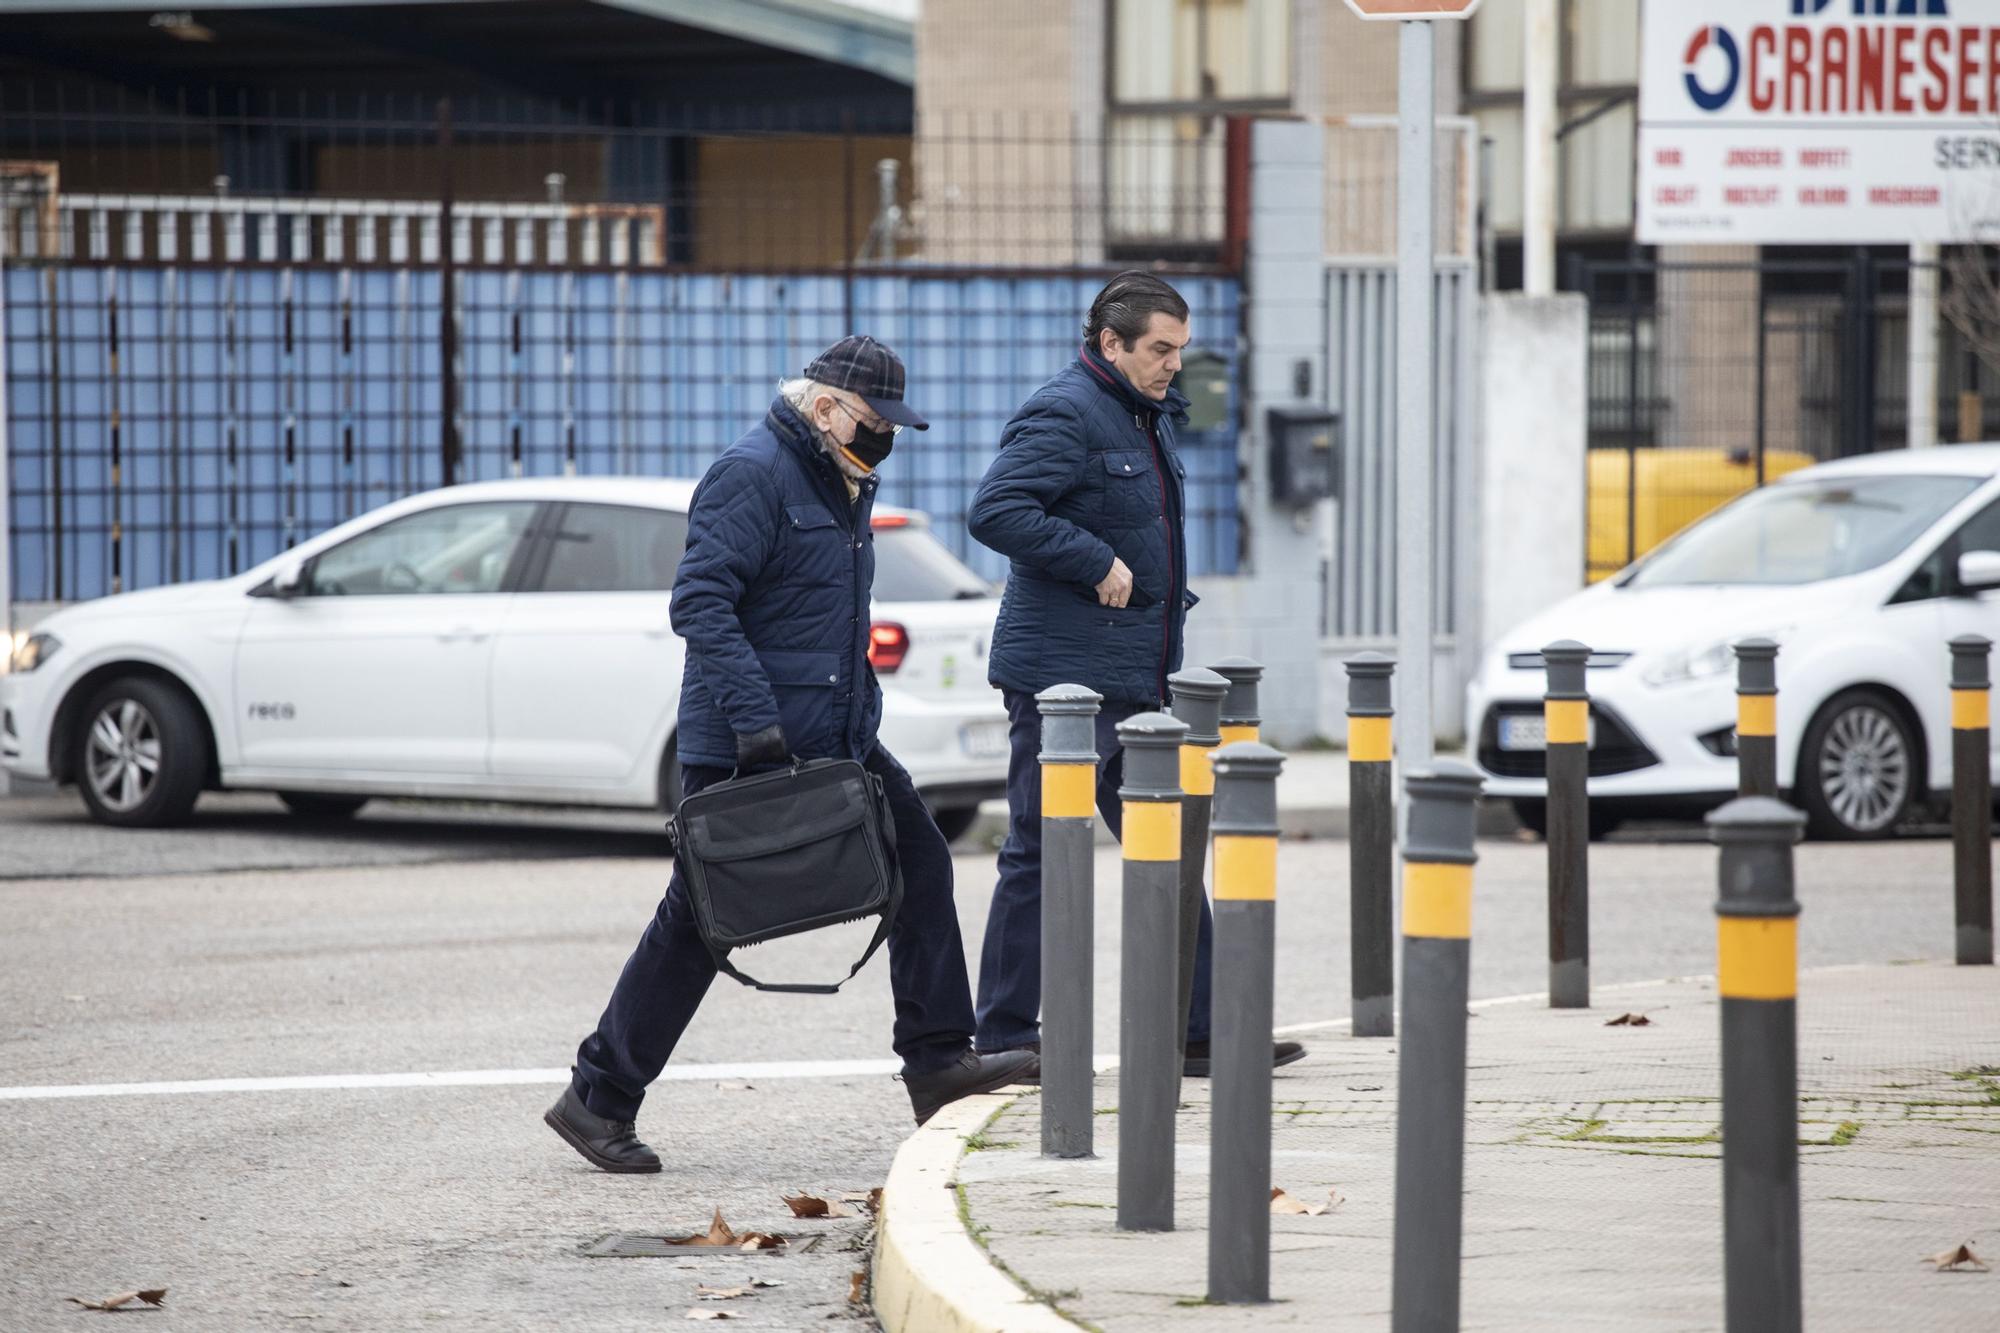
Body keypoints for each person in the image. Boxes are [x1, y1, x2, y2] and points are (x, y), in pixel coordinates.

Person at [545, 336, 1036, 1173]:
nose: (883, 436)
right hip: (751, 742)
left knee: (922, 862)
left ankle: (938, 1061)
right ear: (824, 407)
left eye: (892, 425)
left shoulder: (840, 477)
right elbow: (701, 601)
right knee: (702, 923)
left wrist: (859, 712)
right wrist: (756, 722)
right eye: (874, 420)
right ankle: (599, 1096)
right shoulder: (754, 472)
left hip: (840, 740)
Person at [966, 273, 1305, 1076]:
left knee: (1171, 848)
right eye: (1160, 349)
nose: (1173, 365)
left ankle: (1202, 1030)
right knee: (1040, 849)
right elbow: (997, 509)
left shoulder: (1139, 414)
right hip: (1063, 687)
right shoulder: (1067, 410)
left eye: (1181, 350)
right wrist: (1098, 561)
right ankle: (1006, 1036)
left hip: (1131, 676)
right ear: (1110, 343)